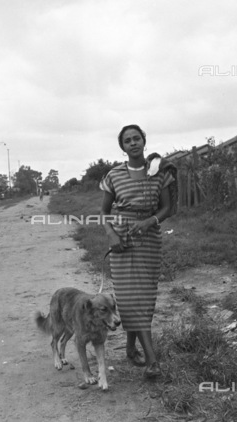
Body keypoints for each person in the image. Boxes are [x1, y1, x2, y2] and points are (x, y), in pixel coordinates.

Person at [100, 125, 178, 378]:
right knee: (129, 298)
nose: (133, 143)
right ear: (122, 147)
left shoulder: (158, 172)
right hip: (121, 241)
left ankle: (131, 347)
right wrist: (111, 235)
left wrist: (149, 222)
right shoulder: (114, 175)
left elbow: (167, 208)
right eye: (127, 141)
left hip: (149, 241)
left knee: (144, 299)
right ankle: (152, 361)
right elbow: (103, 213)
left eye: (136, 139)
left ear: (144, 141)